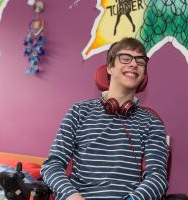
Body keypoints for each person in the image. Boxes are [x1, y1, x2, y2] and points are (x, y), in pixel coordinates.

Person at [41, 37, 169, 200]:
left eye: (140, 60)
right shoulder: (78, 112)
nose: (134, 64)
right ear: (109, 67)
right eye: (125, 58)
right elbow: (52, 166)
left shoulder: (152, 123)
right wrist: (71, 195)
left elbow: (157, 178)